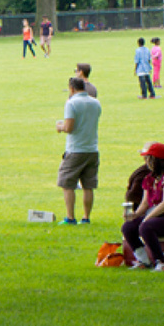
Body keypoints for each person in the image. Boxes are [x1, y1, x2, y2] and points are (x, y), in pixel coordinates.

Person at [121, 142, 164, 272]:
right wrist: (134, 215)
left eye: (147, 158)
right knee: (128, 227)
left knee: (146, 226)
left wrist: (147, 217)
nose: (145, 161)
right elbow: (145, 203)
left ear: (154, 159)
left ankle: (161, 262)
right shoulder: (149, 178)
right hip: (155, 215)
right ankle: (143, 259)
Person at [54, 76, 103, 225]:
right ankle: (86, 217)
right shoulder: (96, 103)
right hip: (92, 149)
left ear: (71, 88)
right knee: (88, 186)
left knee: (67, 184)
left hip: (75, 149)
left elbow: (69, 128)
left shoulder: (71, 103)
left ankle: (70, 217)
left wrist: (60, 126)